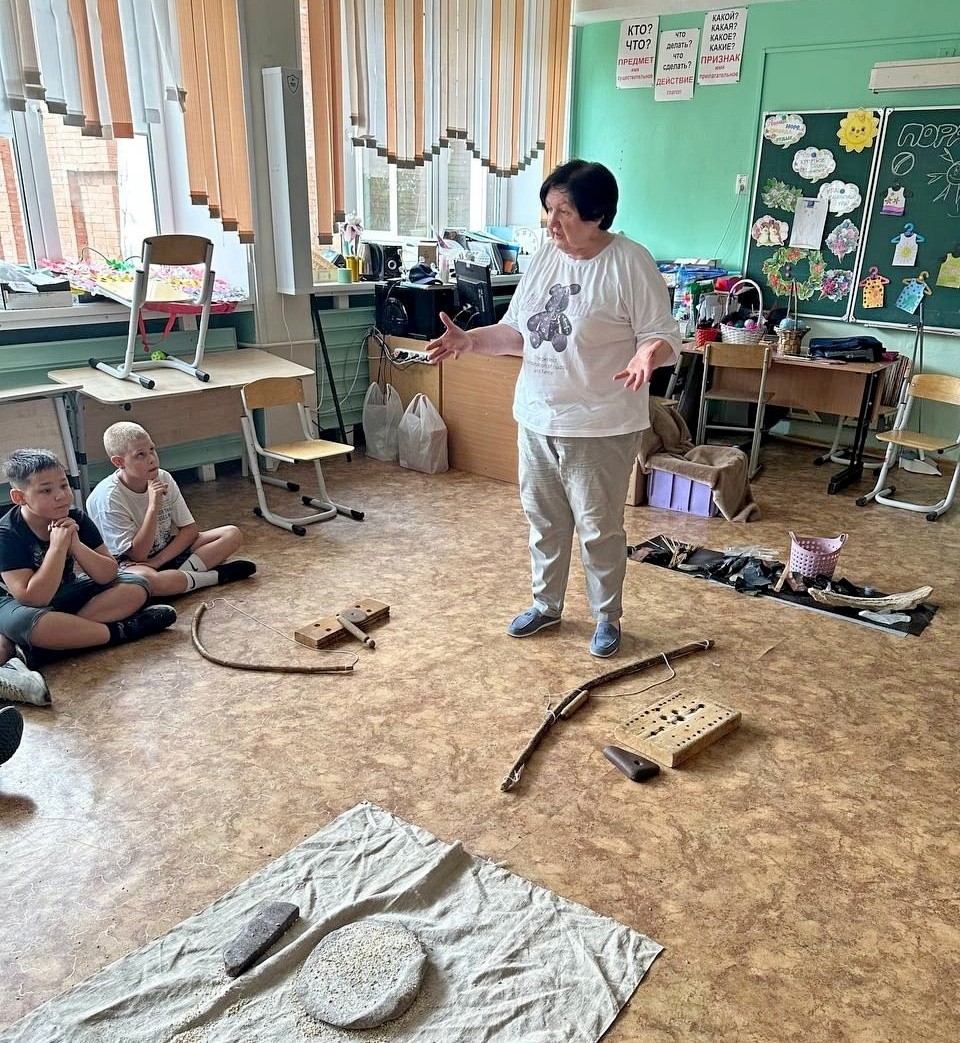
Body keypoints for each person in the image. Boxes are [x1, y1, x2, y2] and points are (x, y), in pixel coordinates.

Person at [427, 160, 681, 657]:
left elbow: (663, 334)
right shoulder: (546, 257)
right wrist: (470, 341)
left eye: (564, 211)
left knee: (598, 529)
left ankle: (607, 616)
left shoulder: (630, 262)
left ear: (597, 215)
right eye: (549, 210)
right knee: (544, 522)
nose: (552, 223)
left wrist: (648, 353)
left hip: (600, 424)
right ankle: (546, 606)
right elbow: (517, 332)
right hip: (537, 416)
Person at [0, 448, 177, 690]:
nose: (61, 496)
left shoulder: (76, 518)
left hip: (64, 593)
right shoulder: (7, 533)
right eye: (46, 491)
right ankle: (122, 631)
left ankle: (53, 643)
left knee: (136, 584)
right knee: (25, 623)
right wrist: (57, 548)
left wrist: (76, 544)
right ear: (19, 497)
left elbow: (108, 574)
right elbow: (33, 598)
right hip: (16, 605)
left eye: (64, 485)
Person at [86, 423, 256, 598]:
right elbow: (137, 555)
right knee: (145, 580)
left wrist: (158, 561)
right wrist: (153, 507)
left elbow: (189, 530)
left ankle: (178, 582)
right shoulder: (109, 499)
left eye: (152, 450)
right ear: (119, 462)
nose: (152, 459)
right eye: (140, 455)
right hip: (131, 563)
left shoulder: (163, 476)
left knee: (231, 534)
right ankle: (212, 577)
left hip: (163, 552)